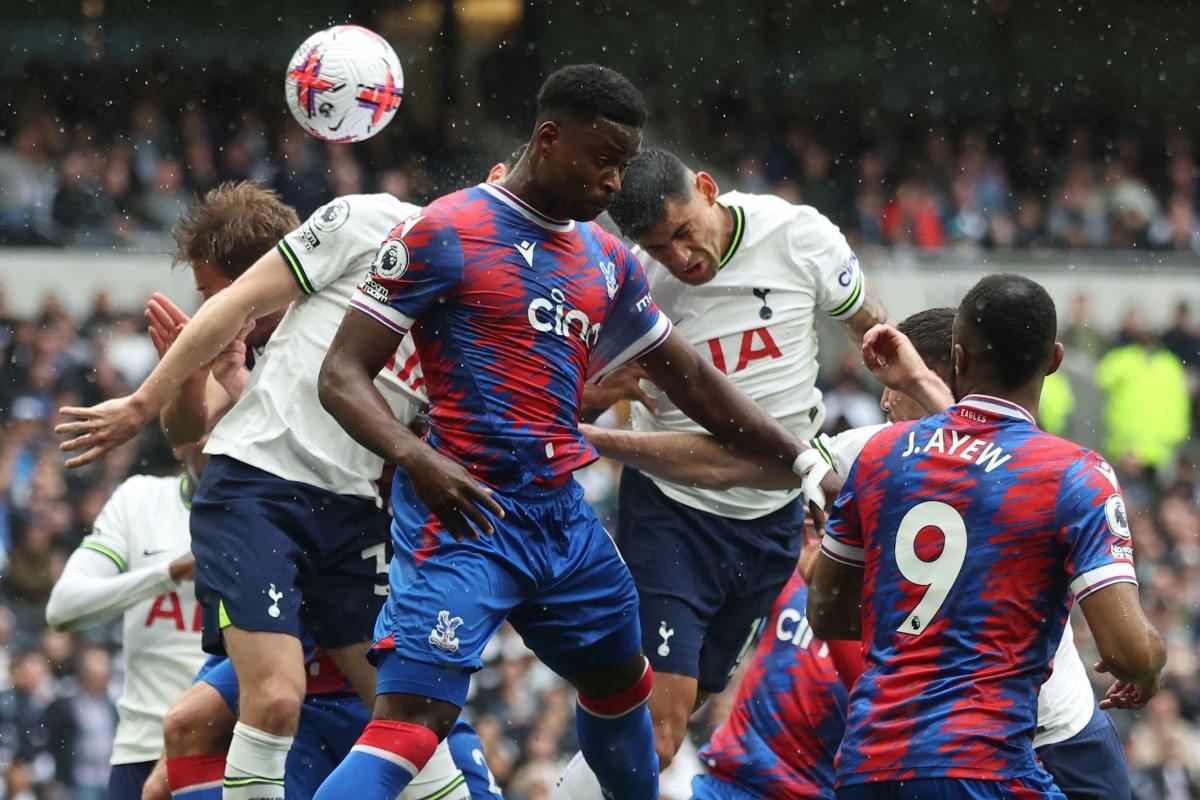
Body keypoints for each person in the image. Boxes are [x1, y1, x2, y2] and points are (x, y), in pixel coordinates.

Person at [311, 64, 818, 800]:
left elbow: (695, 383)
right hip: (465, 514)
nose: (616, 183)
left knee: (623, 686)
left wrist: (803, 459)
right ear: (549, 141)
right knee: (413, 720)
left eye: (625, 164)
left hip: (561, 521)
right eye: (604, 160)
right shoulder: (447, 231)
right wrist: (415, 458)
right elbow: (340, 375)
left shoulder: (605, 260)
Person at [583, 307, 1134, 800]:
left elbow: (739, 472)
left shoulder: (889, 453)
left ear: (954, 373)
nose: (884, 398)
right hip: (974, 740)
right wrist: (596, 438)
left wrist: (595, 438)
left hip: (1030, 731)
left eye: (894, 389)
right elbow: (732, 462)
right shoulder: (902, 454)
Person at [55, 180, 476, 799]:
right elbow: (192, 442)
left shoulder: (477, 311)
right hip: (259, 506)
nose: (205, 306)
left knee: (408, 717)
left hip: (354, 517)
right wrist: (164, 390)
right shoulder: (359, 232)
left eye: (207, 293)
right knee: (245, 709)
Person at [555, 146, 889, 794]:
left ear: (708, 191)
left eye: (683, 232)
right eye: (659, 246)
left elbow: (875, 331)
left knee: (680, 709)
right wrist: (595, 393)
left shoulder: (799, 237)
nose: (681, 257)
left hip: (772, 517)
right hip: (674, 510)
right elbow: (568, 382)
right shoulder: (631, 280)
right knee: (660, 716)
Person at [808, 274, 1165, 799]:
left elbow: (828, 611)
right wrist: (1151, 664)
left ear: (957, 358)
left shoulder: (881, 456)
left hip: (870, 764)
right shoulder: (1072, 473)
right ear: (1054, 360)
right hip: (986, 764)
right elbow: (1128, 650)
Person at [45, 447, 206, 800]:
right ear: (179, 443)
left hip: (233, 749)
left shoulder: (272, 507)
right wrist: (168, 573)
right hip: (143, 749)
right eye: (207, 431)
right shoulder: (140, 499)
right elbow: (62, 607)